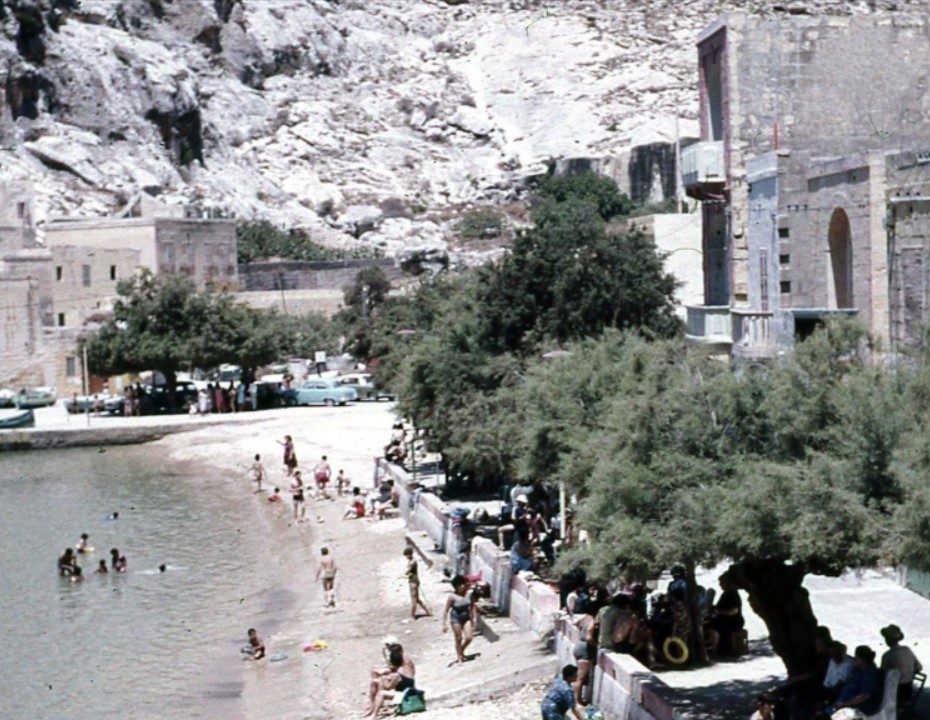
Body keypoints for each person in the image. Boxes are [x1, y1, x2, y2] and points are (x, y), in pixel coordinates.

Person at [827, 645, 883, 717]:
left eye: (856, 657)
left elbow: (865, 695)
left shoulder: (869, 674)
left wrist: (845, 704)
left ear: (862, 659)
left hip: (859, 706)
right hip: (843, 702)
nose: (854, 659)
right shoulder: (857, 670)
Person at [365, 642, 416, 717]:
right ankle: (374, 707)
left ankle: (374, 715)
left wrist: (383, 680)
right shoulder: (402, 668)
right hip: (408, 690)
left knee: (381, 692)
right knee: (377, 682)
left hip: (405, 695)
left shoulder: (397, 674)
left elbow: (388, 687)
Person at [880, 624, 923, 705]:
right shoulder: (907, 650)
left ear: (888, 640)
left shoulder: (887, 655)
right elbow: (919, 667)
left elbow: (882, 675)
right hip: (908, 691)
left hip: (894, 694)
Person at [443, 574, 477, 663]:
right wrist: (444, 624)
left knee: (469, 637)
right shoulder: (452, 597)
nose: (462, 586)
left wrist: (474, 618)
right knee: (458, 638)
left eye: (463, 584)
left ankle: (461, 649)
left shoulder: (469, 594)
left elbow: (473, 606)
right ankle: (459, 657)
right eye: (460, 585)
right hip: (456, 618)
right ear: (456, 587)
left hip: (466, 617)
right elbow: (446, 610)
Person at [709, 572, 745, 656]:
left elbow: (734, 611)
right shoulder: (725, 594)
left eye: (721, 583)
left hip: (734, 620)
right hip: (724, 618)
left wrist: (720, 612)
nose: (720, 585)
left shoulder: (733, 594)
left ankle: (715, 651)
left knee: (715, 626)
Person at [571, 612, 596, 705]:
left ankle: (576, 699)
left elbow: (576, 624)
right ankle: (577, 701)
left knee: (580, 677)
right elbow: (588, 638)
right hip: (585, 650)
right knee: (580, 678)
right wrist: (597, 645)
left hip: (579, 646)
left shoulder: (585, 619)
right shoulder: (592, 622)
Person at [403, 547, 431, 619]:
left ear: (409, 554)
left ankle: (413, 615)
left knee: (414, 599)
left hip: (413, 581)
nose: (406, 557)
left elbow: (407, 572)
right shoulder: (413, 561)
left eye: (406, 555)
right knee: (417, 599)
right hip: (415, 580)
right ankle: (427, 611)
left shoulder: (412, 562)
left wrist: (407, 571)